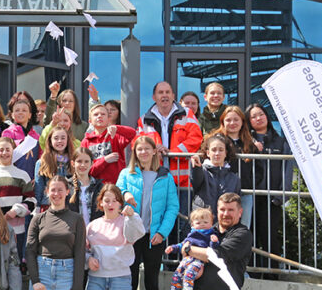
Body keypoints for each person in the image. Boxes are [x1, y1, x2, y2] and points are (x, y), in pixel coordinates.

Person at [116, 135, 179, 290]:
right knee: (130, 283)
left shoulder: (165, 177)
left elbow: (172, 207)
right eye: (139, 149)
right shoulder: (126, 173)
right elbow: (116, 194)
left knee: (151, 283)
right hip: (132, 235)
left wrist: (162, 232)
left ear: (155, 152)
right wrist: (125, 195)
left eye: (146, 149)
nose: (142, 152)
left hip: (154, 236)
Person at [136, 81, 203, 240]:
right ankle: (164, 262)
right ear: (154, 97)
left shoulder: (187, 114)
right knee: (160, 222)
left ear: (173, 96)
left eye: (167, 92)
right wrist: (154, 149)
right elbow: (137, 143)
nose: (164, 95)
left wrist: (172, 152)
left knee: (183, 223)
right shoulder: (144, 119)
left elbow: (195, 139)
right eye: (160, 92)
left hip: (183, 180)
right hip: (157, 180)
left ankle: (179, 262)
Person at [0, 136, 36, 290]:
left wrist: (16, 210)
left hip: (17, 229)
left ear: (13, 151)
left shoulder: (22, 175)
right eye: (2, 149)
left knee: (14, 268)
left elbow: (31, 200)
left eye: (8, 149)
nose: (5, 152)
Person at [246, 103, 292, 271]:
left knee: (269, 238)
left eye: (261, 114)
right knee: (249, 236)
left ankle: (272, 273)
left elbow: (287, 170)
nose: (258, 118)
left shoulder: (280, 142)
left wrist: (281, 197)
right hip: (249, 196)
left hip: (272, 198)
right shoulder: (246, 141)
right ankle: (251, 272)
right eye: (253, 116)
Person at [68, 147, 103, 290]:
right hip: (73, 241)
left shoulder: (98, 186)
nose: (82, 165)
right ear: (73, 163)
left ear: (91, 164)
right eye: (78, 161)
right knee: (75, 288)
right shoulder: (66, 185)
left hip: (95, 240)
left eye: (86, 162)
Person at [205, 105, 259, 227]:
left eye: (236, 120)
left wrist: (251, 183)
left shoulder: (250, 144)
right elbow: (204, 158)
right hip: (219, 191)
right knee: (218, 228)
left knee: (242, 227)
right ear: (222, 122)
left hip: (244, 193)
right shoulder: (215, 140)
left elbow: (259, 169)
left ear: (242, 122)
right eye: (228, 120)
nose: (232, 123)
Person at [162, 207, 219, 290]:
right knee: (177, 273)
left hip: (199, 260)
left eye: (205, 222)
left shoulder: (210, 235)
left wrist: (214, 242)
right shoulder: (191, 235)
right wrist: (173, 248)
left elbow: (213, 249)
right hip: (187, 259)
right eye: (198, 223)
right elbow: (182, 245)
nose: (202, 225)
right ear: (192, 224)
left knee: (189, 274)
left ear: (211, 223)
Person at [82, 103, 136, 185]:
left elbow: (132, 133)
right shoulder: (86, 142)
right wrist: (104, 160)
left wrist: (117, 128)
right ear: (90, 121)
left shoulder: (115, 136)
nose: (99, 116)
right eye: (96, 114)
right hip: (95, 188)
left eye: (103, 114)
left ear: (108, 119)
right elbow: (86, 170)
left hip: (116, 186)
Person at [190, 134, 241, 216]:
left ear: (226, 153)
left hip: (225, 221)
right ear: (208, 153)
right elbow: (195, 180)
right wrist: (196, 167)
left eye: (221, 150)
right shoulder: (202, 172)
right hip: (203, 221)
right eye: (214, 150)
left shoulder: (234, 178)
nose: (217, 153)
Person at [33, 125, 76, 211]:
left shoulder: (74, 161)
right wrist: (37, 207)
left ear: (67, 140)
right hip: (48, 205)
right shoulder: (42, 162)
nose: (59, 141)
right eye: (56, 138)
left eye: (63, 138)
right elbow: (39, 187)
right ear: (50, 141)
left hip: (69, 206)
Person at [1, 91, 43, 177]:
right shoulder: (7, 133)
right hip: (14, 178)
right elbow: (5, 154)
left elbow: (41, 158)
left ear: (30, 115)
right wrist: (24, 145)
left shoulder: (36, 136)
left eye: (24, 110)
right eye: (17, 110)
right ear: (12, 115)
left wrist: (37, 177)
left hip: (32, 180)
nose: (20, 112)